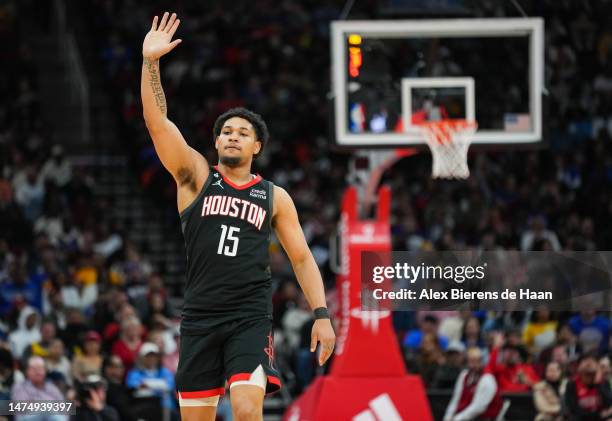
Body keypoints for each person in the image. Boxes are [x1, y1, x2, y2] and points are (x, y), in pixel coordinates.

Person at [140, 12, 335, 421]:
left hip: (249, 315)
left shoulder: (274, 196)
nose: (232, 135)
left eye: (242, 132)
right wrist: (150, 64)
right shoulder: (195, 177)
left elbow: (301, 258)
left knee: (247, 409)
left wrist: (321, 315)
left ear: (257, 146)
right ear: (215, 142)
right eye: (226, 131)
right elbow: (158, 125)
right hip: (199, 317)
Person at [443, 347, 503, 421]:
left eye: (477, 361)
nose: (473, 365)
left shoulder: (487, 379)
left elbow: (478, 408)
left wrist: (457, 418)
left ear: (482, 361)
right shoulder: (464, 375)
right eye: (470, 361)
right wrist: (447, 417)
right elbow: (455, 399)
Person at [10, 356, 67, 421]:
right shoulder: (20, 387)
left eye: (40, 369)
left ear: (45, 371)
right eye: (34, 369)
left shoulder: (52, 387)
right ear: (27, 371)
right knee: (47, 411)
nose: (37, 372)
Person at [565, 353, 612, 421]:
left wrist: (599, 384)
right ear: (579, 367)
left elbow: (608, 404)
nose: (588, 365)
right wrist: (598, 415)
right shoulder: (572, 384)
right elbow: (574, 410)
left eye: (592, 362)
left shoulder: (603, 382)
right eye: (585, 361)